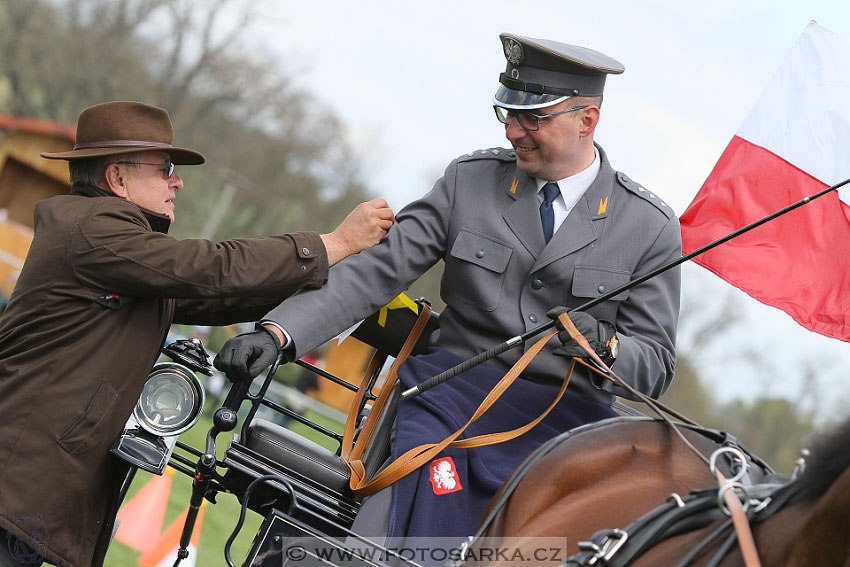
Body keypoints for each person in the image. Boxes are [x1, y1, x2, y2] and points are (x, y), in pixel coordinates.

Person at [214, 33, 681, 552]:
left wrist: (608, 347)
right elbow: (377, 270)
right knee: (397, 526)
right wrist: (279, 333)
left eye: (533, 118)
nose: (513, 131)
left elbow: (655, 365)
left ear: (586, 120)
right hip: (451, 400)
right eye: (506, 113)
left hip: (563, 430)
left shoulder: (649, 226)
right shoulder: (469, 181)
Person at [0, 101, 394, 567]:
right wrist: (333, 244)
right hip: (16, 485)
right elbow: (210, 269)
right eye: (165, 168)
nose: (178, 181)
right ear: (117, 178)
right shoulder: (92, 228)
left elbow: (218, 295)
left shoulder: (113, 247)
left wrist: (322, 285)